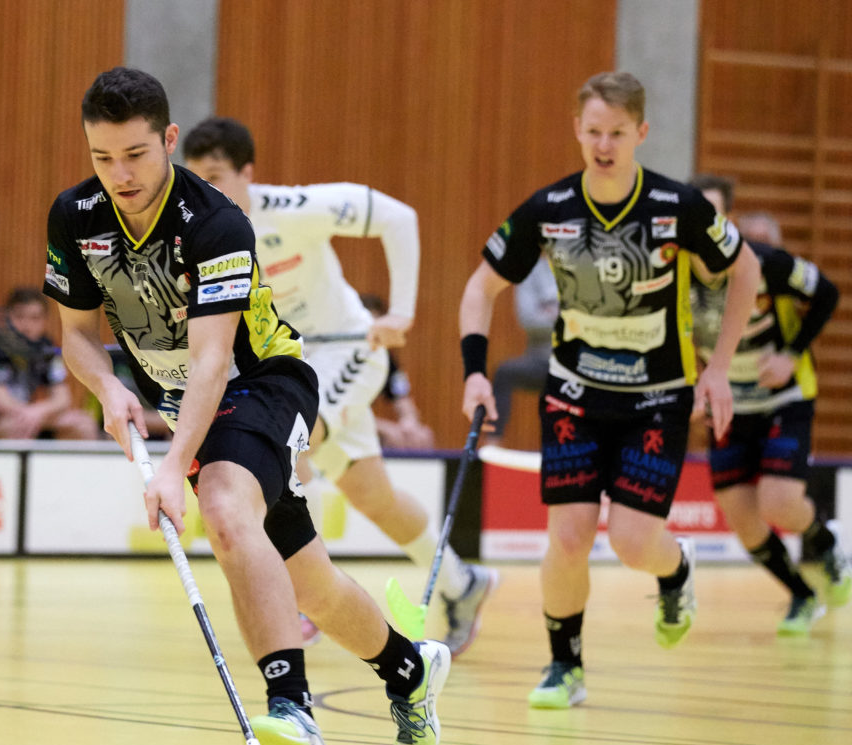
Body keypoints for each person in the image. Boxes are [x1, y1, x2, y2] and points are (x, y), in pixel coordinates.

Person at [46, 67, 450, 745]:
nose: (120, 175)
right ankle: (410, 671)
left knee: (227, 508)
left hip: (261, 383)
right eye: (102, 158)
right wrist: (107, 385)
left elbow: (210, 361)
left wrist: (175, 466)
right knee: (314, 586)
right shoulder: (76, 217)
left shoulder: (217, 222)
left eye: (136, 155)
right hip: (187, 409)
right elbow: (76, 329)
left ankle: (290, 705)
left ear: (169, 140)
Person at [458, 72, 761, 709]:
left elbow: (746, 269)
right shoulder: (549, 209)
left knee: (629, 542)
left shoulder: (678, 208)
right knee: (567, 537)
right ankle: (564, 665)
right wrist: (476, 372)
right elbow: (480, 288)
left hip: (658, 396)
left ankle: (675, 568)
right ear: (577, 130)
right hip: (573, 395)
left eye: (617, 133)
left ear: (641, 134)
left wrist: (719, 367)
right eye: (593, 131)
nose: (603, 144)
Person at [183, 116, 496, 657]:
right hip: (285, 364)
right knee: (373, 496)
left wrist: (400, 312)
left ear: (248, 174)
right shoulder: (201, 233)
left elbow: (400, 218)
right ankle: (462, 583)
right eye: (197, 179)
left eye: (217, 176)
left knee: (286, 445)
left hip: (346, 351)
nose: (208, 191)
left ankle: (302, 596)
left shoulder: (293, 209)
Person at [687, 174, 849, 634]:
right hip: (728, 405)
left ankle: (826, 543)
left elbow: (828, 294)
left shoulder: (762, 261)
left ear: (727, 219)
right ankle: (800, 595)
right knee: (741, 516)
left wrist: (791, 354)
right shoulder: (676, 270)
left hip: (783, 397)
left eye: (712, 213)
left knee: (778, 502)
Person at [0, 288, 98, 440]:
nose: (26, 326)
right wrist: (32, 414)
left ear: (44, 321)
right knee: (16, 427)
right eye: (19, 317)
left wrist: (38, 412)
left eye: (35, 318)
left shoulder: (46, 348)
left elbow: (62, 399)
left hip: (30, 416)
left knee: (83, 424)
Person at [488, 258, 558, 445]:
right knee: (504, 373)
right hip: (540, 360)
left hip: (577, 362)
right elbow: (528, 319)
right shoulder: (532, 271)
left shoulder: (585, 268)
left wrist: (550, 312)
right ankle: (492, 447)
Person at [360, 293, 435, 452]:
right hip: (337, 424)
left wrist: (410, 423)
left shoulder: (385, 359)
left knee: (423, 436)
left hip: (363, 424)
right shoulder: (340, 358)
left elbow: (402, 397)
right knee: (388, 435)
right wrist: (383, 427)